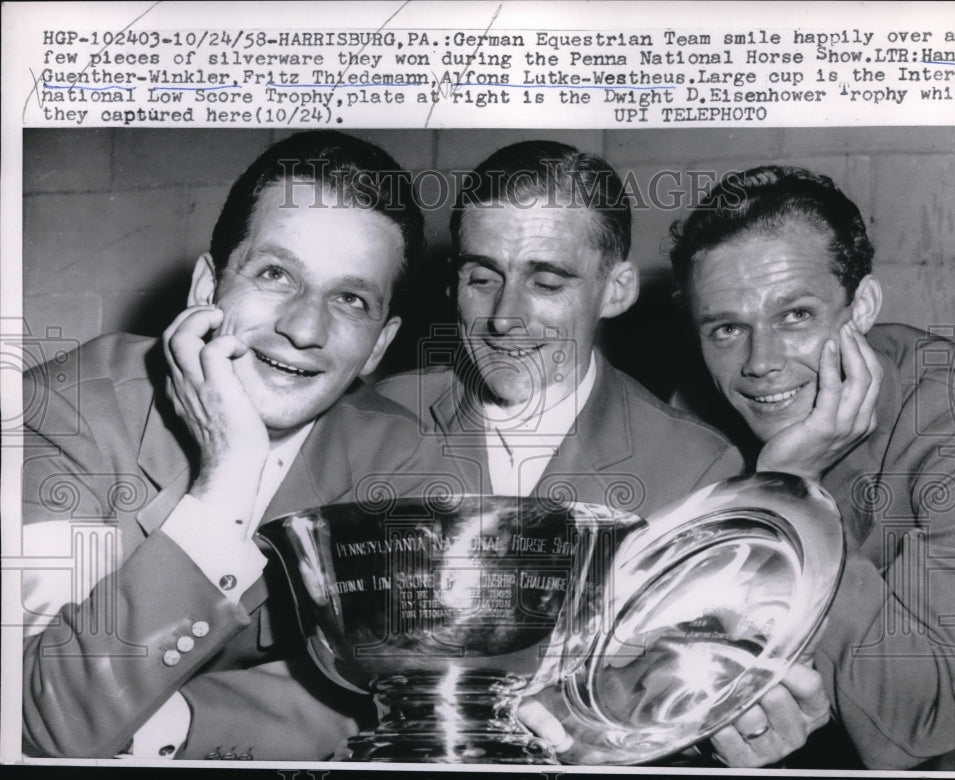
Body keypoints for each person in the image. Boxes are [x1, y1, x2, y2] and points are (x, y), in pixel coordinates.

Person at [376, 141, 829, 766]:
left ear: (615, 290)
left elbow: (674, 710)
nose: (506, 317)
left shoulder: (698, 471)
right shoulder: (372, 422)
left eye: (547, 280)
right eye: (482, 278)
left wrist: (725, 751)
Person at [21, 131, 432, 760]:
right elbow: (39, 721)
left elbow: (386, 700)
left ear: (378, 345)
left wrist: (169, 725)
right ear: (205, 288)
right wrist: (227, 481)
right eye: (275, 273)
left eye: (350, 299)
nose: (303, 327)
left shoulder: (394, 456)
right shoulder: (65, 412)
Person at [670, 165, 955, 769]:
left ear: (861, 308)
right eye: (727, 328)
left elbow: (933, 719)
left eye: (795, 316)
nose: (759, 363)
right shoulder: (689, 419)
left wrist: (787, 495)